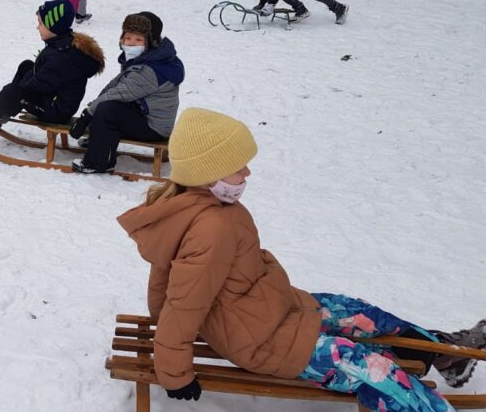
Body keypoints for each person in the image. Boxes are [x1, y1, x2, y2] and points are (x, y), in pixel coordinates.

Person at [115, 107, 486, 410]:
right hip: (263, 340)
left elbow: (165, 278)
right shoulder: (210, 227)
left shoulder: (212, 206)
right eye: (238, 165)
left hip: (278, 310)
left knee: (362, 314)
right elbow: (185, 302)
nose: (247, 172)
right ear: (207, 173)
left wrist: (159, 317)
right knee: (376, 372)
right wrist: (175, 371)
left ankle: (445, 354)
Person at [0, 0, 104, 134]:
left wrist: (15, 96)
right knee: (26, 66)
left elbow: (38, 85)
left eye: (40, 23)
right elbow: (39, 75)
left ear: (53, 26)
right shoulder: (61, 45)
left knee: (13, 92)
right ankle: (1, 111)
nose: (37, 27)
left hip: (56, 110)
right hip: (53, 98)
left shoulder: (62, 57)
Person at [67, 12, 184, 174]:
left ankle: (99, 163)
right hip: (143, 112)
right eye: (128, 38)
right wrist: (92, 111)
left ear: (150, 42)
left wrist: (87, 115)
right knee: (107, 107)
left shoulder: (149, 70)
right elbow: (116, 85)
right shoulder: (150, 58)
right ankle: (102, 142)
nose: (131, 44)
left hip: (154, 127)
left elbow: (119, 93)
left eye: (138, 40)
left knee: (108, 111)